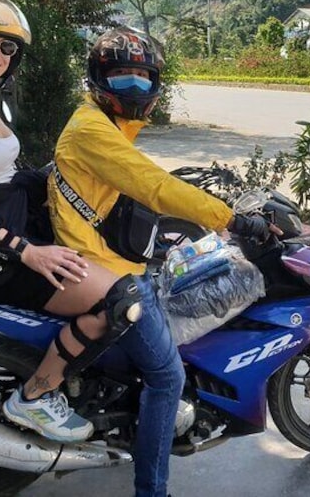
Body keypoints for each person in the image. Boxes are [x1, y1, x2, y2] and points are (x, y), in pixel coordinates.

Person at [47, 26, 274, 497]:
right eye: (122, 78)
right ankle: (153, 490)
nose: (134, 89)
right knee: (167, 376)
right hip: (101, 266)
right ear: (98, 80)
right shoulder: (92, 129)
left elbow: (143, 179)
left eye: (143, 80)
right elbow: (155, 186)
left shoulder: (103, 126)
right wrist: (231, 219)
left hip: (107, 256)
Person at [0, 0, 142, 444]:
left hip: (15, 230)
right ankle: (36, 396)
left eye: (7, 48)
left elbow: (1, 173)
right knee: (118, 301)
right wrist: (29, 253)